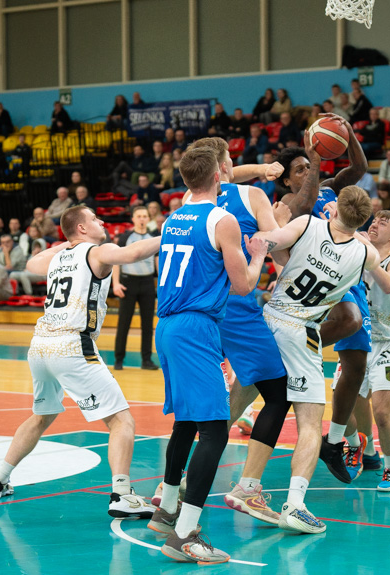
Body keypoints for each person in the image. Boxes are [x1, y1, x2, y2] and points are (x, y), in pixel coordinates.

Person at [0, 204, 162, 522]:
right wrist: (170, 234)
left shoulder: (58, 256)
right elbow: (134, 254)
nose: (101, 221)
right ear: (81, 228)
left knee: (42, 415)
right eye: (94, 219)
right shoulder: (97, 251)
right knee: (122, 421)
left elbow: (36, 261)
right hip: (71, 345)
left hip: (40, 346)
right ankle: (122, 495)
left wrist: (66, 241)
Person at [148, 147, 267, 564]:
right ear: (220, 174)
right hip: (197, 328)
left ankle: (165, 510)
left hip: (167, 327)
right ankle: (186, 535)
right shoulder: (224, 219)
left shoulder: (173, 217)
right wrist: (258, 255)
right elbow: (242, 286)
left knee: (186, 421)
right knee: (215, 431)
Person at [172, 138, 292, 527]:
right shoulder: (252, 198)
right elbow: (278, 249)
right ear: (223, 167)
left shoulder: (185, 206)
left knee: (194, 415)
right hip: (233, 307)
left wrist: (261, 167)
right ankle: (248, 488)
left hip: (186, 316)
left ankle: (170, 493)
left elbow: (225, 174)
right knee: (279, 391)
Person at [252, 185, 378, 531]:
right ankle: (294, 505)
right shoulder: (366, 254)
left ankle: (184, 480)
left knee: (235, 404)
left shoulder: (307, 223)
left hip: (269, 319)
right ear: (363, 219)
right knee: (310, 425)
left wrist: (272, 221)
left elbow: (268, 244)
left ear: (333, 209)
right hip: (301, 330)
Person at [273, 116, 374, 486]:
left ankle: (333, 442)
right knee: (348, 320)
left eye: (307, 165)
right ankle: (306, 342)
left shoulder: (331, 186)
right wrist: (314, 159)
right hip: (315, 275)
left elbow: (360, 167)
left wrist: (346, 133)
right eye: (298, 169)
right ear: (286, 179)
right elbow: (303, 206)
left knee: (357, 365)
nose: (305, 170)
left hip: (348, 271)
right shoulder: (287, 201)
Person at [345, 210, 390, 488]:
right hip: (356, 339)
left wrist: (369, 256)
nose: (375, 224)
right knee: (341, 409)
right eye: (374, 221)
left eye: (383, 223)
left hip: (385, 344)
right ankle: (357, 445)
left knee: (382, 413)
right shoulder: (357, 253)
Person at [112, 205, 159, 371]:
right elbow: (116, 262)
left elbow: (158, 262)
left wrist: (161, 283)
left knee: (147, 325)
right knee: (124, 323)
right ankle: (119, 359)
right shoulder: (125, 237)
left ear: (148, 218)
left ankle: (146, 360)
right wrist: (116, 283)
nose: (141, 219)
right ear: (132, 219)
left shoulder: (154, 237)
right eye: (138, 216)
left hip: (147, 283)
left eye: (144, 216)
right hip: (128, 284)